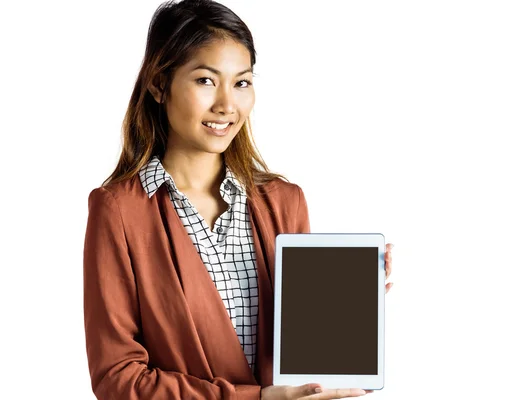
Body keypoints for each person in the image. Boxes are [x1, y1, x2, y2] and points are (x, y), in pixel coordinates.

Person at [82, 0, 394, 399]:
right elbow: (117, 378)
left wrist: (345, 308)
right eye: (205, 81)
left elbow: (301, 357)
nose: (227, 105)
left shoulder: (284, 201)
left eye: (242, 82)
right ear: (160, 84)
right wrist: (256, 398)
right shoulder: (119, 210)